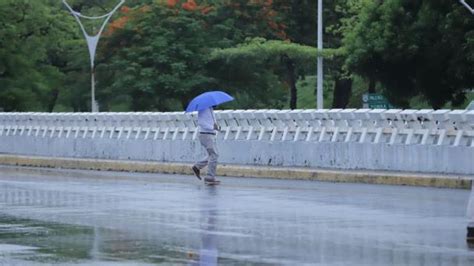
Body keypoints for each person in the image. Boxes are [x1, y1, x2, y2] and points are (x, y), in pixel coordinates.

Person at [192, 106, 220, 184]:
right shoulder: (204, 109)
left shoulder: (210, 109)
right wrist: (212, 127)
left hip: (209, 134)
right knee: (214, 155)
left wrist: (216, 127)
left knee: (212, 155)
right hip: (206, 134)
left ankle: (197, 167)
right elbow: (201, 123)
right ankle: (210, 177)